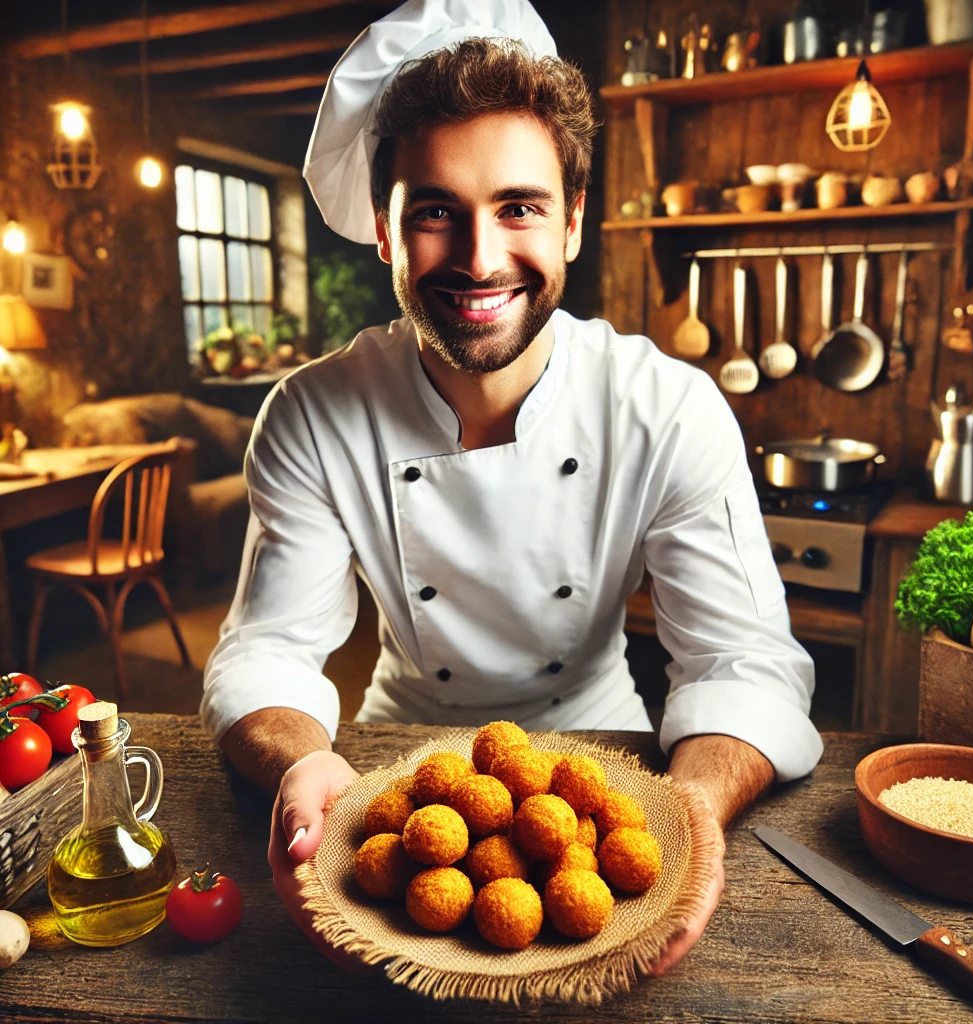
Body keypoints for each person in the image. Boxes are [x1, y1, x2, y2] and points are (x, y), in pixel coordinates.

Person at [200, 0, 823, 976]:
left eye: (519, 207)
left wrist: (693, 804)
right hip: (397, 760)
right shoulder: (312, 414)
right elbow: (268, 651)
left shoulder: (667, 406)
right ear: (384, 230)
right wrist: (303, 761)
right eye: (436, 209)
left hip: (603, 741)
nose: (480, 258)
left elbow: (746, 664)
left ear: (573, 222)